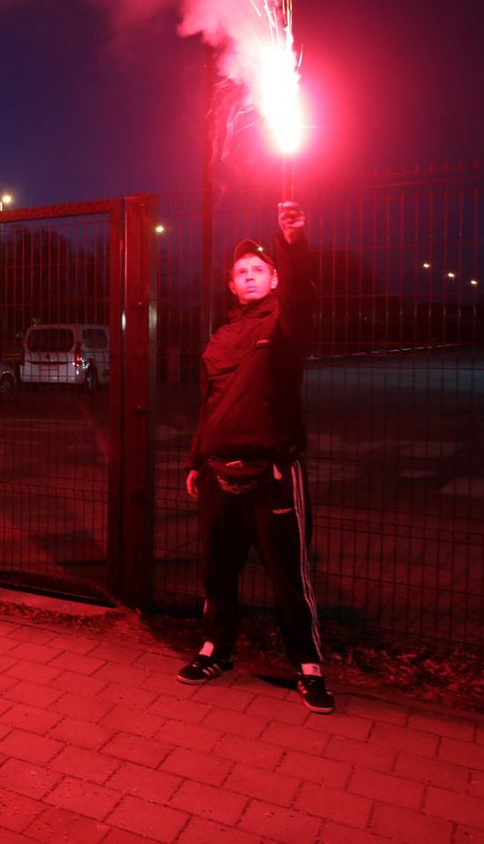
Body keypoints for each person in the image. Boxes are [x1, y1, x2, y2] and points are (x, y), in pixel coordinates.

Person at [179, 201, 332, 713]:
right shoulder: (220, 338)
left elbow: (302, 292)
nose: (248, 277)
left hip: (273, 474)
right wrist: (196, 460)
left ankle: (308, 667)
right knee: (217, 572)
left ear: (272, 281)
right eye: (240, 272)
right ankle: (215, 649)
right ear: (232, 285)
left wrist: (291, 243)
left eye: (258, 271)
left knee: (289, 575)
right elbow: (209, 405)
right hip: (220, 474)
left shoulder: (285, 326)